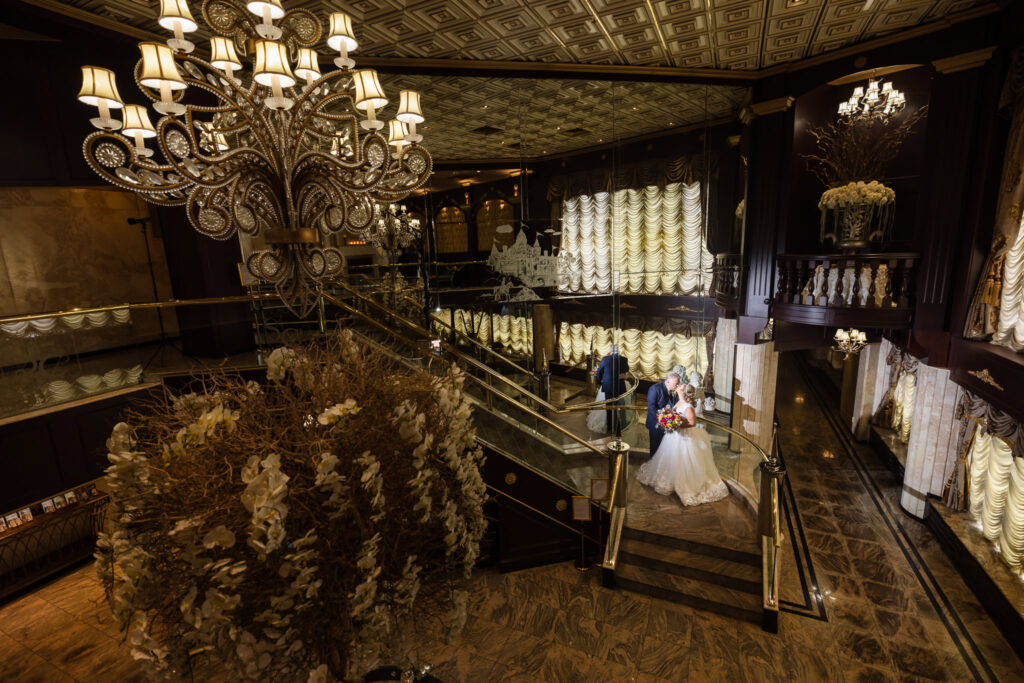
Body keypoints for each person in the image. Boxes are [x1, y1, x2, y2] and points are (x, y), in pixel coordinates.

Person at [638, 384, 729, 507]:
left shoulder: (688, 407)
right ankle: (670, 481)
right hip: (674, 436)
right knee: (671, 458)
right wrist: (668, 420)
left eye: (680, 387)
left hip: (685, 437)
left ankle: (685, 485)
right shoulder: (678, 402)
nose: (678, 386)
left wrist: (676, 425)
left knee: (684, 461)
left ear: (683, 392)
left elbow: (692, 423)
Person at [594, 345, 630, 433]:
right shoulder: (624, 359)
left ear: (610, 352)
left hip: (608, 387)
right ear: (619, 351)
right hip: (620, 389)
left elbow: (598, 373)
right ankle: (622, 426)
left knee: (609, 409)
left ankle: (610, 428)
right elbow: (626, 369)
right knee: (621, 408)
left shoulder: (605, 359)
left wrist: (601, 381)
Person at [646, 371, 681, 456]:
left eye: (678, 383)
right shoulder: (655, 389)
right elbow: (651, 407)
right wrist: (663, 419)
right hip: (656, 424)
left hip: (669, 425)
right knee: (655, 449)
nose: (678, 386)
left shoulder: (674, 390)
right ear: (668, 382)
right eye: (676, 384)